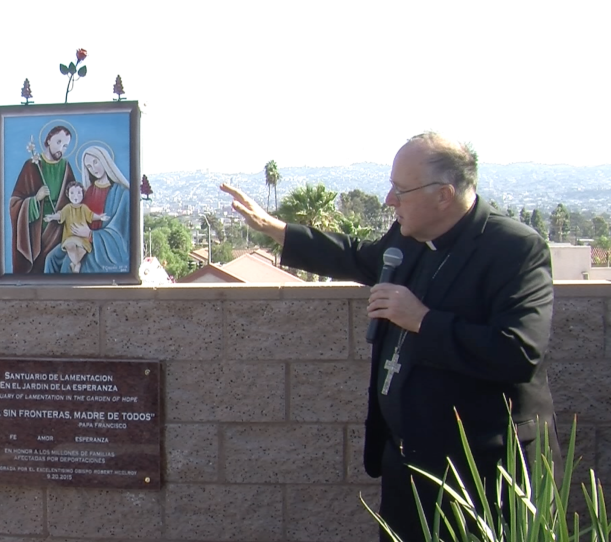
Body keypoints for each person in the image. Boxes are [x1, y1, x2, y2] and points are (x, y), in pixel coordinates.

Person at [222, 132, 560, 542]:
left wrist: (421, 320)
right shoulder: (409, 238)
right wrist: (276, 229)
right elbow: (358, 257)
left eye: (401, 190)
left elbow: (517, 352)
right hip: (409, 466)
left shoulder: (514, 249)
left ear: (444, 195)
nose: (389, 200)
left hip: (484, 475)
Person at [44, 145, 130, 274]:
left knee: (68, 264)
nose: (93, 168)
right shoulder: (88, 191)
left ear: (104, 160)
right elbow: (77, 213)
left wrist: (90, 234)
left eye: (96, 162)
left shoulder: (121, 193)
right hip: (78, 238)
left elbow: (120, 233)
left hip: (101, 247)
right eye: (89, 166)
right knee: (51, 258)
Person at [9, 126, 76, 274]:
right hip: (36, 232)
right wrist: (35, 199)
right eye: (58, 142)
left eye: (65, 146)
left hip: (58, 230)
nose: (61, 148)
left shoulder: (65, 167)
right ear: (48, 140)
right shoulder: (32, 165)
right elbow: (14, 203)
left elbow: (75, 199)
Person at [44, 181, 109, 273]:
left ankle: (75, 263)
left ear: (82, 194)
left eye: (79, 193)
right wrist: (52, 217)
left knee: (82, 250)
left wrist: (100, 217)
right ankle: (76, 264)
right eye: (72, 193)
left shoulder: (83, 208)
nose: (76, 196)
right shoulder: (68, 208)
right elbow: (60, 215)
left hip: (83, 239)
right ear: (68, 194)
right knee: (71, 247)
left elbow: (91, 216)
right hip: (70, 237)